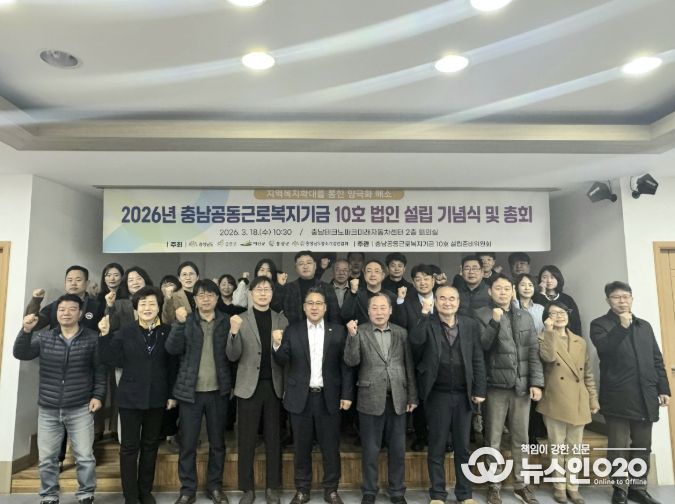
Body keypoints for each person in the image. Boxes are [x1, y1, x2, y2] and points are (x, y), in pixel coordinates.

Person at [15, 294, 107, 504]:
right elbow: (21, 353)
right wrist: (26, 331)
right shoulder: (45, 337)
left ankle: (86, 494)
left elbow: (100, 370)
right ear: (56, 313)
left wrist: (98, 396)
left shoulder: (92, 338)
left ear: (80, 313)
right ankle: (49, 495)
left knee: (85, 456)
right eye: (62, 309)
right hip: (48, 407)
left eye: (72, 309)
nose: (66, 313)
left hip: (81, 406)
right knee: (47, 458)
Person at [590, 281, 671, 504]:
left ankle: (638, 487)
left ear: (632, 299)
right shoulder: (600, 324)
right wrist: (622, 327)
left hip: (646, 394)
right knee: (618, 446)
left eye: (626, 297)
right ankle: (619, 488)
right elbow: (605, 349)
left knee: (643, 445)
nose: (622, 301)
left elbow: (656, 359)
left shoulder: (644, 326)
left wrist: (663, 388)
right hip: (618, 395)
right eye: (617, 297)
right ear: (608, 300)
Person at [273, 287, 354, 504]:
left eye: (319, 303)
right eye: (310, 303)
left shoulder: (338, 331)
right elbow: (281, 360)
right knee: (301, 447)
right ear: (304, 307)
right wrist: (277, 344)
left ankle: (331, 490)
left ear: (325, 308)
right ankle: (302, 489)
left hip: (329, 397)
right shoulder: (293, 330)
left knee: (330, 447)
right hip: (301, 397)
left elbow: (346, 366)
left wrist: (347, 394)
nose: (314, 307)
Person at [98, 286, 178, 504]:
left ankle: (145, 491)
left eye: (152, 303)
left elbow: (173, 366)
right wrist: (104, 335)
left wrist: (172, 395)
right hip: (130, 398)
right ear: (136, 308)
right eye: (143, 304)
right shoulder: (125, 332)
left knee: (150, 446)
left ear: (159, 307)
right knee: (129, 448)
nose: (147, 308)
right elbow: (109, 358)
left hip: (157, 397)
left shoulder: (168, 331)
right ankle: (130, 496)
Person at [409, 286, 486, 504]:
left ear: (458, 302)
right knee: (436, 446)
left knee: (463, 447)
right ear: (435, 302)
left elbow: (477, 358)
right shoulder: (428, 322)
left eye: (452, 299)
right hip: (437, 395)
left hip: (463, 394)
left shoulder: (469, 325)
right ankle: (438, 494)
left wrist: (479, 389)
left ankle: (465, 494)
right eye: (442, 298)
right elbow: (415, 343)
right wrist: (424, 315)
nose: (447, 302)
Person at [473, 274, 544, 504]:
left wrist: (536, 382)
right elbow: (482, 347)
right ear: (490, 291)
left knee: (521, 438)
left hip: (521, 387)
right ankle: (493, 485)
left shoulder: (525, 316)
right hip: (495, 386)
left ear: (513, 290)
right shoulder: (481, 314)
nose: (502, 292)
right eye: (498, 288)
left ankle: (521, 485)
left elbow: (533, 351)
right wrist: (494, 322)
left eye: (506, 288)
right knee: (492, 438)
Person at [344, 293, 418, 504]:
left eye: (383, 308)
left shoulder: (401, 333)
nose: (379, 312)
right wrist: (352, 336)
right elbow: (351, 361)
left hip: (398, 398)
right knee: (370, 449)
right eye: (374, 308)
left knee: (398, 449)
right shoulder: (360, 331)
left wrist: (412, 396)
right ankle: (369, 490)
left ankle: (397, 491)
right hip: (369, 397)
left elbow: (409, 365)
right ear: (368, 312)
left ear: (390, 310)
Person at [165, 279, 233, 504]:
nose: (206, 299)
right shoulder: (187, 320)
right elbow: (172, 348)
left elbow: (234, 355)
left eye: (210, 295)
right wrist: (178, 323)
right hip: (190, 393)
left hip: (218, 392)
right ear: (194, 299)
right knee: (188, 444)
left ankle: (215, 487)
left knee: (217, 443)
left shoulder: (225, 321)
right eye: (201, 295)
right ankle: (187, 490)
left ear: (217, 298)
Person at [227, 276, 289, 504]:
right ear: (251, 293)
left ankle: (272, 487)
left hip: (274, 386)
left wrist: (278, 345)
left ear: (272, 293)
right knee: (246, 439)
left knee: (274, 440)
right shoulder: (240, 319)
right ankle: (247, 488)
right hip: (247, 387)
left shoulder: (282, 320)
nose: (263, 293)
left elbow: (286, 357)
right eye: (258, 289)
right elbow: (232, 355)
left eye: (267, 289)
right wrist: (233, 333)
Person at [537, 301, 599, 504]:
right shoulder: (542, 337)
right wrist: (548, 331)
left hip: (579, 399)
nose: (559, 316)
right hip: (555, 398)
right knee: (557, 447)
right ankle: (559, 487)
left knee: (575, 447)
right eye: (553, 313)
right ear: (547, 318)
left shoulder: (580, 341)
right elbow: (548, 357)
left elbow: (587, 373)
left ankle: (573, 487)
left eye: (562, 312)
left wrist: (593, 398)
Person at [393, 263, 437, 451]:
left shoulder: (443, 299)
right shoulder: (408, 303)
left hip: (442, 359)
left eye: (426, 278)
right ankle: (421, 436)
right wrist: (400, 301)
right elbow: (401, 324)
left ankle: (444, 437)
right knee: (420, 399)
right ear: (413, 282)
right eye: (418, 279)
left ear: (433, 280)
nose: (423, 282)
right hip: (418, 358)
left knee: (441, 401)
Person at [25, 265, 101, 331]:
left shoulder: (97, 306)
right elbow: (34, 325)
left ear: (87, 283)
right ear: (65, 283)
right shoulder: (55, 306)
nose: (73, 283)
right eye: (69, 280)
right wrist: (36, 301)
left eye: (78, 280)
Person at [282, 251, 340, 325]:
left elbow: (334, 316)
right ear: (296, 268)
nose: (305, 266)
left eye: (309, 263)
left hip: (322, 330)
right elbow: (278, 311)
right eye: (301, 264)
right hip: (294, 330)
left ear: (315, 266)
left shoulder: (327, 288)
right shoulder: (288, 288)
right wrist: (280, 286)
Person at [340, 259, 396, 325]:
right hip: (360, 331)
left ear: (383, 276)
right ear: (364, 275)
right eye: (369, 271)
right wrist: (353, 293)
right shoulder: (354, 294)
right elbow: (345, 316)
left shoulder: (392, 296)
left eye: (376, 271)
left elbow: (397, 322)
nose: (372, 274)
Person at [533, 265, 582, 335]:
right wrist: (542, 294)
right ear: (540, 279)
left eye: (552, 277)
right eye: (544, 277)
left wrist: (577, 339)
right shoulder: (535, 298)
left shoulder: (568, 299)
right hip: (543, 337)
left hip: (566, 337)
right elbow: (540, 316)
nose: (549, 280)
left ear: (558, 279)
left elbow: (576, 323)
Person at [106, 266, 154, 332]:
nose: (135, 282)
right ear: (126, 285)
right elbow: (112, 327)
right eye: (131, 280)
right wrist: (110, 305)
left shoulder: (155, 300)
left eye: (139, 278)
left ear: (145, 281)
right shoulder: (119, 305)